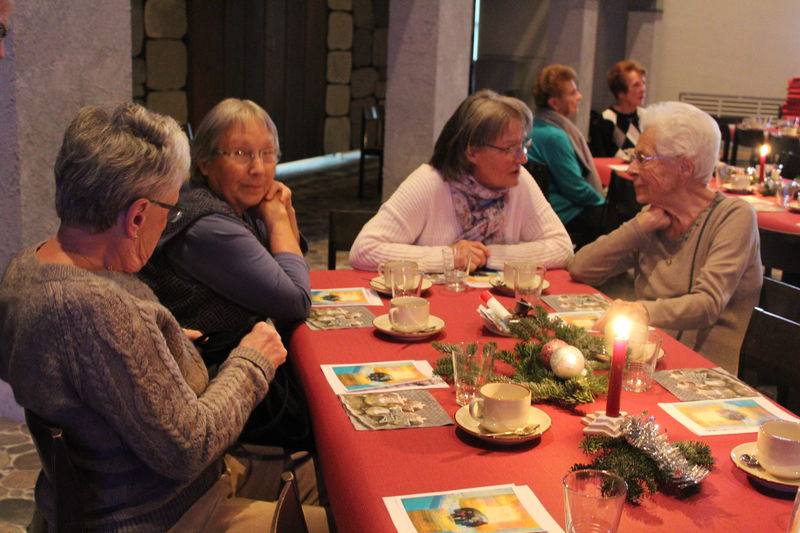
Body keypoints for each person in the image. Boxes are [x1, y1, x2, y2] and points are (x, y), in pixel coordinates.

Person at [0, 103, 328, 532]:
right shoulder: (99, 311)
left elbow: (72, 370)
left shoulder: (27, 267)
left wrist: (156, 349)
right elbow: (189, 448)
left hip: (127, 493)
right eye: (169, 210)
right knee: (347, 511)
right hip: (161, 514)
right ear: (138, 215)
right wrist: (253, 359)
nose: (169, 220)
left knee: (331, 468)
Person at [568, 101, 762, 373]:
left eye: (643, 158)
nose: (631, 169)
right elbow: (581, 268)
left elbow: (707, 304)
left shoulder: (733, 216)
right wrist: (640, 225)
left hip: (703, 374)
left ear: (684, 168)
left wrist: (642, 311)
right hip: (645, 360)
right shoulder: (654, 217)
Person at [140, 98, 310, 341]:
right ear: (205, 162)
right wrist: (278, 220)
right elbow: (297, 302)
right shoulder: (208, 225)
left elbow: (294, 271)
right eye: (240, 153)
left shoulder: (240, 205)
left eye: (267, 153)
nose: (258, 169)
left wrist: (285, 211)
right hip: (206, 361)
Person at [349, 89, 572, 272]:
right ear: (472, 151)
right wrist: (451, 257)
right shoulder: (430, 182)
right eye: (509, 148)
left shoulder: (519, 181)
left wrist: (488, 255)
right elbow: (364, 250)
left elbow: (562, 248)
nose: (522, 159)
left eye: (523, 145)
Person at [526, 64, 607, 249]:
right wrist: (603, 202)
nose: (579, 96)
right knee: (620, 220)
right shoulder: (554, 136)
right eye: (572, 93)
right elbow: (575, 189)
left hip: (547, 210)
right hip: (562, 214)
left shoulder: (536, 125)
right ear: (554, 103)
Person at [589, 60, 647, 159]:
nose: (643, 89)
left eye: (643, 83)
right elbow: (600, 160)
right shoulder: (606, 120)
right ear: (621, 93)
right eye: (636, 85)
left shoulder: (645, 116)